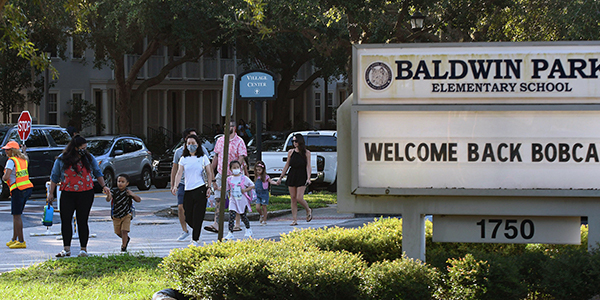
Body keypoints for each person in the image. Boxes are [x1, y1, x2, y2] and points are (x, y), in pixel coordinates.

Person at [48, 135, 111, 257]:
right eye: (82, 148)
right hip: (67, 193)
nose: (84, 150)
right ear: (75, 148)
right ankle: (66, 248)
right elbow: (54, 177)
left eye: (85, 147)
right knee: (66, 221)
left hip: (86, 193)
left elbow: (97, 172)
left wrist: (104, 186)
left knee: (82, 220)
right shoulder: (62, 159)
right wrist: (51, 193)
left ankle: (83, 249)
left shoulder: (88, 158)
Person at [205, 120, 248, 233]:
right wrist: (212, 170)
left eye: (228, 126)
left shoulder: (240, 141)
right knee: (219, 198)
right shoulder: (220, 140)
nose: (225, 128)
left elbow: (241, 157)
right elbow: (216, 156)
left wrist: (235, 170)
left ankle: (237, 223)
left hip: (235, 176)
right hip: (221, 173)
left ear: (233, 128)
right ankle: (217, 223)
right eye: (224, 126)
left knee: (236, 198)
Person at [171, 134, 213, 246]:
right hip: (188, 190)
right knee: (188, 215)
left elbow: (209, 172)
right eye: (188, 144)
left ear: (198, 144)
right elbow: (179, 173)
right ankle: (197, 230)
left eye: (193, 143)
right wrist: (175, 185)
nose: (191, 146)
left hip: (200, 189)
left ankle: (195, 239)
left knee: (198, 215)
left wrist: (209, 187)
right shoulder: (183, 159)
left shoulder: (203, 157)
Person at [170, 128, 204, 242]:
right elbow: (175, 169)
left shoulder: (202, 151)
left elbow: (207, 167)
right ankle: (185, 230)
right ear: (186, 140)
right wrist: (173, 184)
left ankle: (196, 231)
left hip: (198, 185)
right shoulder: (179, 152)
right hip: (183, 183)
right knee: (181, 207)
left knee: (195, 210)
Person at [3, 141, 33, 249]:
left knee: (16, 216)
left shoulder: (11, 161)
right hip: (26, 188)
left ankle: (21, 241)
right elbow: (27, 159)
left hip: (18, 189)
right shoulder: (23, 159)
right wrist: (24, 151)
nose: (6, 151)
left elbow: (6, 177)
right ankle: (14, 239)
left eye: (8, 149)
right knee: (17, 214)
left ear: (13, 150)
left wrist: (3, 177)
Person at [277, 134, 312, 226]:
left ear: (300, 141)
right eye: (293, 141)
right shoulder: (291, 152)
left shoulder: (307, 153)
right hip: (292, 174)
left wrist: (309, 178)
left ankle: (308, 209)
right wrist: (281, 177)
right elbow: (287, 165)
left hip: (302, 175)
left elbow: (308, 166)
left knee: (299, 197)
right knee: (293, 198)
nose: (294, 143)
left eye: (296, 141)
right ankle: (295, 219)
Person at [106, 174, 141, 252]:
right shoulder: (114, 191)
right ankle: (126, 239)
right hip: (116, 215)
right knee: (117, 232)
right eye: (119, 181)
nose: (120, 183)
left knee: (124, 230)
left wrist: (133, 194)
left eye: (123, 182)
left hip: (126, 214)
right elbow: (108, 199)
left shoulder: (128, 192)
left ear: (127, 183)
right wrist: (108, 194)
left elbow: (138, 200)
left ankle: (123, 247)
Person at [224, 160, 254, 240]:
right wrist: (218, 188)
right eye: (234, 168)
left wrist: (245, 190)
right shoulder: (229, 179)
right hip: (233, 200)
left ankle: (248, 229)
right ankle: (230, 233)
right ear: (230, 169)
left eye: (237, 167)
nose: (236, 169)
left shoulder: (244, 178)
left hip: (242, 200)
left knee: (243, 216)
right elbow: (226, 188)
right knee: (231, 216)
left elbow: (252, 185)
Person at [253, 160, 278, 226]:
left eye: (259, 170)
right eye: (256, 170)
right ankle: (261, 215)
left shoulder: (266, 177)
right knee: (257, 207)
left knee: (264, 207)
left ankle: (265, 220)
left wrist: (275, 183)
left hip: (264, 193)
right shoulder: (256, 177)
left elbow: (270, 181)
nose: (258, 171)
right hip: (258, 194)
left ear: (263, 170)